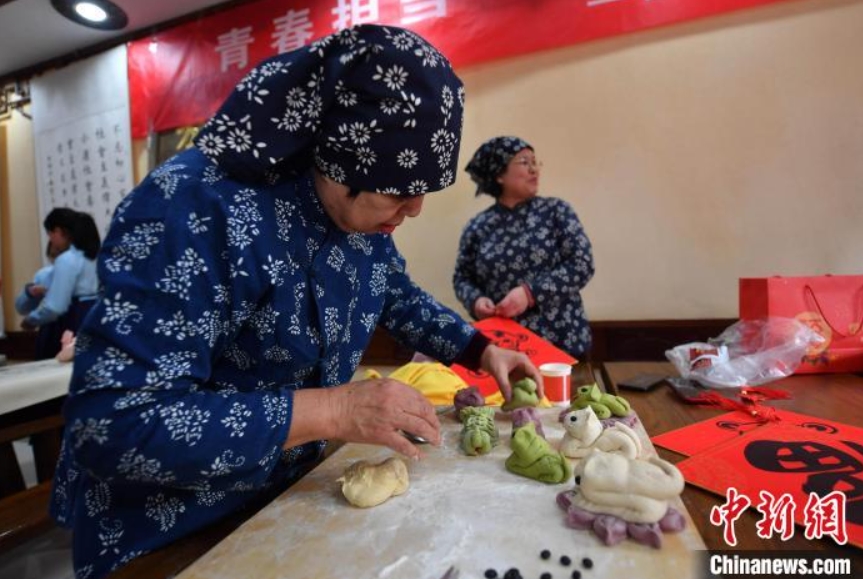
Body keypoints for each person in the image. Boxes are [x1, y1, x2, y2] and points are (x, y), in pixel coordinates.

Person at [50, 25, 542, 579]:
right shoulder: (188, 207)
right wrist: (334, 409)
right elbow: (113, 424)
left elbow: (392, 291)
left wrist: (480, 348)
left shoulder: (357, 213)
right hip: (171, 530)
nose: (414, 209)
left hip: (290, 495)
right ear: (337, 158)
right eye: (400, 190)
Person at [453, 136, 595, 359]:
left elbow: (582, 264)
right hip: (503, 349)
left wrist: (530, 294)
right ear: (499, 174)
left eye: (535, 162)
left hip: (561, 342)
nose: (534, 170)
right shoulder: (478, 226)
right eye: (524, 162)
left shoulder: (556, 211)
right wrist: (476, 301)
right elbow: (462, 277)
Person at [20, 208, 101, 359]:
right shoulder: (100, 257)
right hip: (97, 315)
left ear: (60, 231)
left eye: (51, 234)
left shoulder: (68, 260)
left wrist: (31, 320)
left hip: (72, 317)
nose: (51, 240)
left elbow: (55, 306)